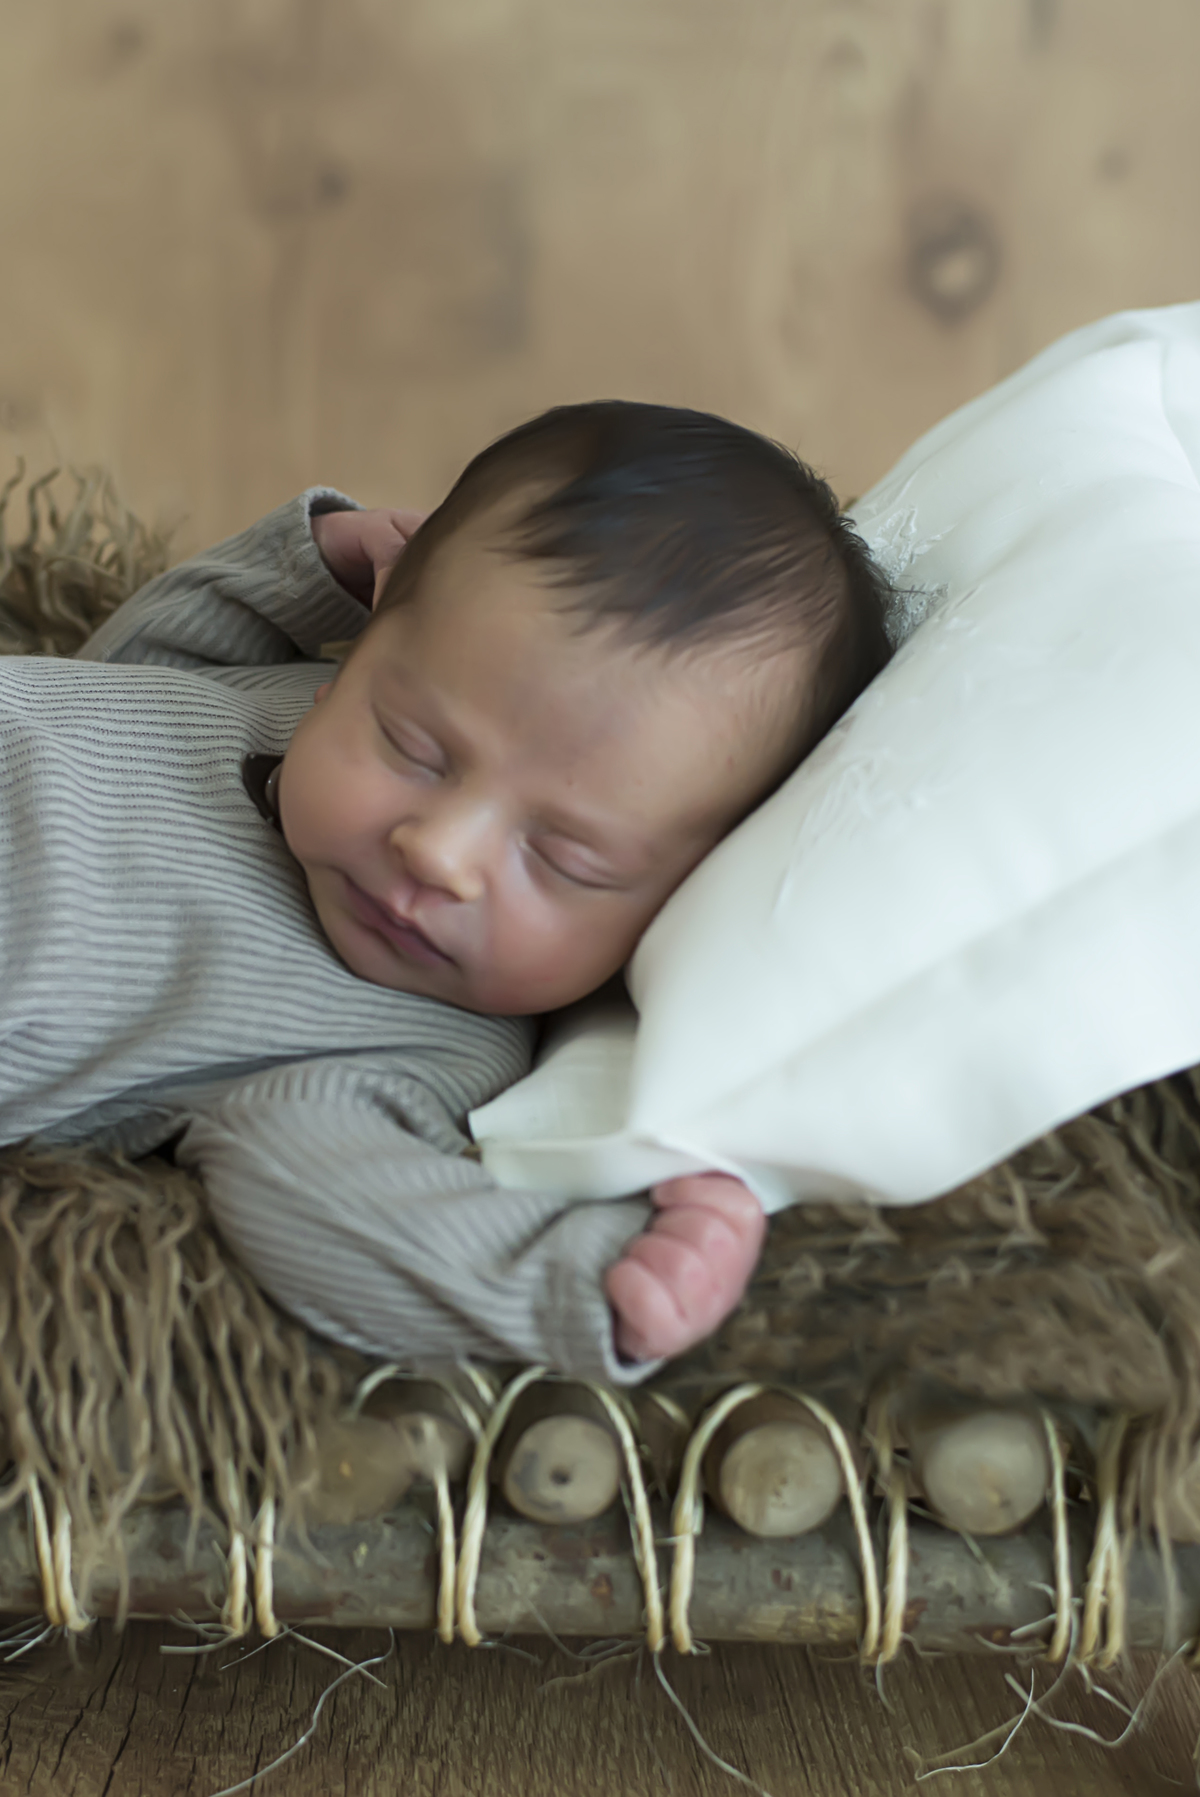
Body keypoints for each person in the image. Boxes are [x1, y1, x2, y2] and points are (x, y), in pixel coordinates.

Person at [2, 402, 891, 1381]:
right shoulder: (305, 695)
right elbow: (128, 672)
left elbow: (319, 1194)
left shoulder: (432, 1044)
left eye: (564, 858)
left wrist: (578, 1279)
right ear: (376, 632)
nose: (438, 854)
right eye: (414, 750)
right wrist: (300, 574)